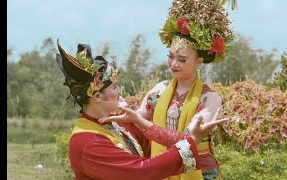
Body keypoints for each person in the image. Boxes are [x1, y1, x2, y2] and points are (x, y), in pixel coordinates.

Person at [55, 39, 229, 180]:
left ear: (199, 61)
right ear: (97, 97)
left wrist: (136, 120)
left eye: (182, 59)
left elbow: (149, 143)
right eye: (115, 87)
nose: (120, 91)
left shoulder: (115, 124)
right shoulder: (88, 142)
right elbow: (142, 172)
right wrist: (192, 140)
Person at [136, 0, 234, 179]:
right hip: (162, 166)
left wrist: (142, 123)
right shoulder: (158, 91)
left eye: (182, 59)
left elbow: (187, 140)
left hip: (199, 171)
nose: (173, 64)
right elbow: (135, 123)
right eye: (170, 56)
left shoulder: (210, 98)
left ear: (199, 61)